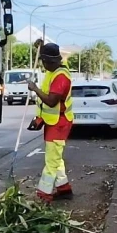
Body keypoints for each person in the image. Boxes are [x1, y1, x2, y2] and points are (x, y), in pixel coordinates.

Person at [27, 43, 74, 202]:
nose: (43, 64)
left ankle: (43, 194)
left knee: (51, 161)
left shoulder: (60, 77)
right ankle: (64, 188)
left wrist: (35, 89)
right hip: (53, 122)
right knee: (56, 158)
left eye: (44, 61)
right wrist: (41, 46)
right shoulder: (56, 69)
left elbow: (52, 101)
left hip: (59, 124)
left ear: (50, 61)